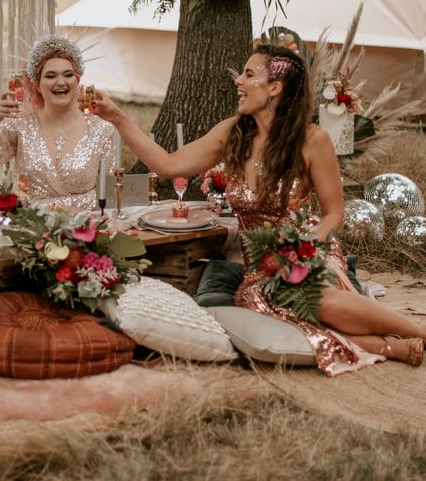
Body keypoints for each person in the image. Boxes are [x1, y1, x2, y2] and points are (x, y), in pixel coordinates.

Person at [92, 43, 426, 373]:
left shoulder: (312, 140)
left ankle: (418, 332)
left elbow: (333, 213)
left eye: (249, 74)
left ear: (274, 88)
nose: (238, 80)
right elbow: (168, 165)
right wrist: (117, 117)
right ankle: (389, 346)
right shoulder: (231, 133)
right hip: (261, 265)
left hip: (310, 250)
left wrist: (304, 248)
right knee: (281, 307)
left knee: (316, 299)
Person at [0, 34, 114, 212]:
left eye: (68, 75)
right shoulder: (19, 126)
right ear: (37, 85)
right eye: (51, 76)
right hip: (29, 229)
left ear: (77, 80)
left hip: (84, 231)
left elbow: (112, 195)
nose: (60, 82)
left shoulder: (102, 130)